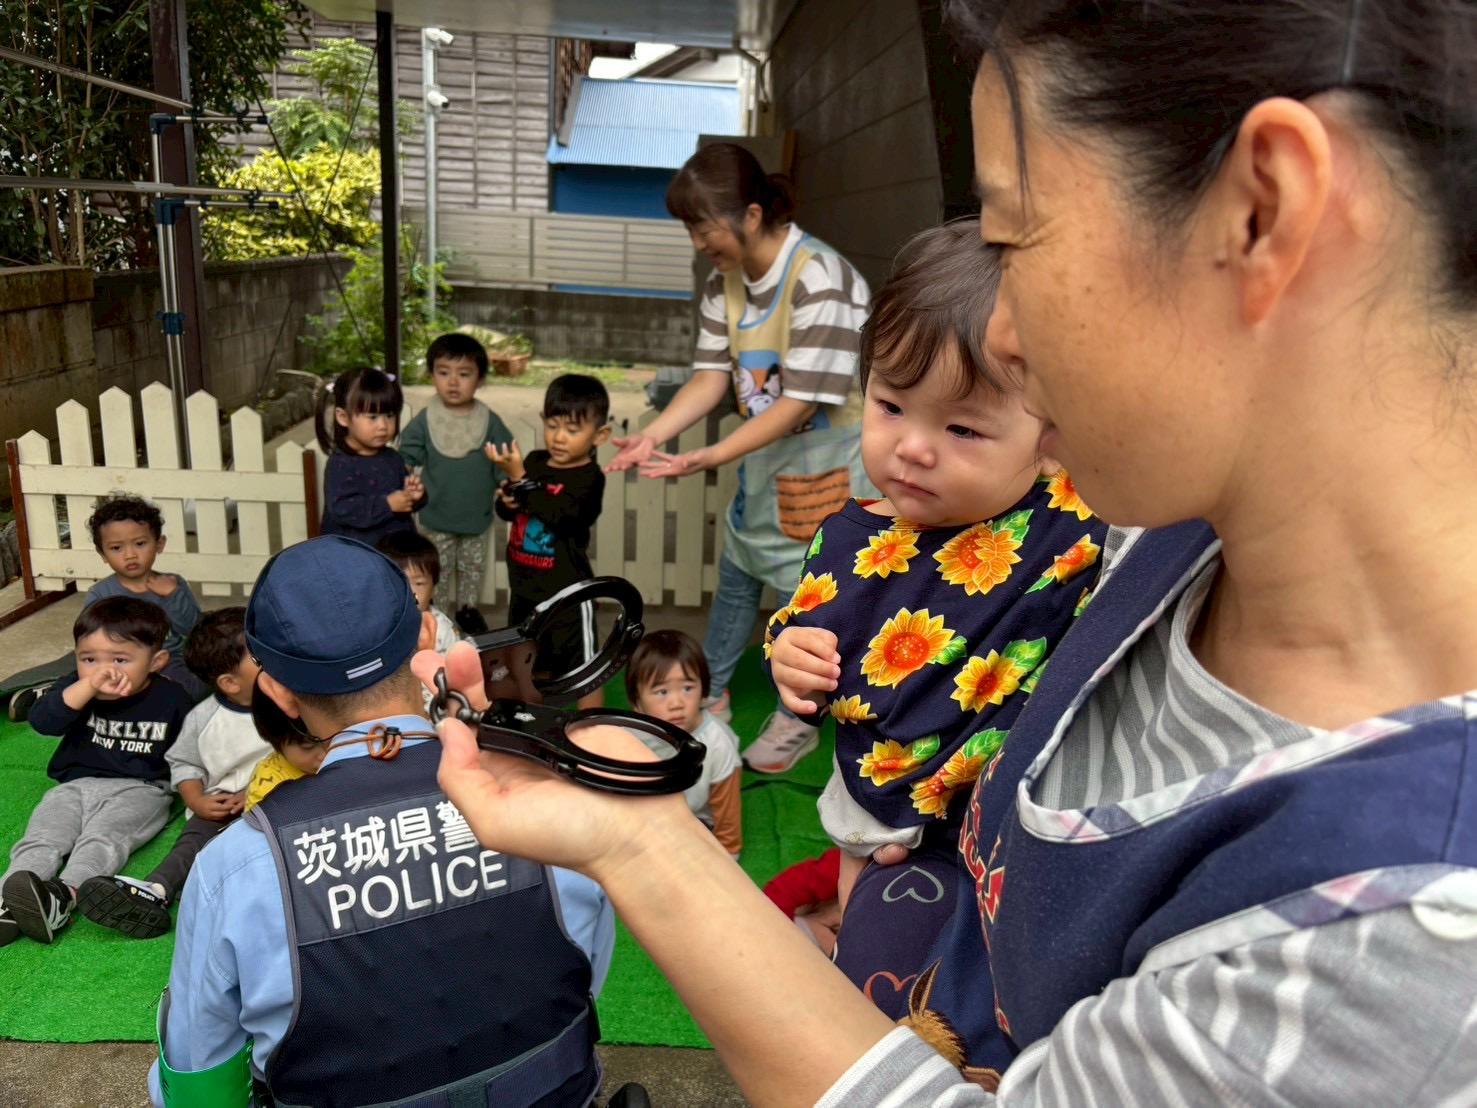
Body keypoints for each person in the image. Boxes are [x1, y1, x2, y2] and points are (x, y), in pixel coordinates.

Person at [426, 0, 1477, 1103]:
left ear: (1265, 212)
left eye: (1013, 236)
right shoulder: (1178, 525)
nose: (1004, 340)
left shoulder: (1404, 929)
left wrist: (642, 847)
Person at [764, 223, 1105, 1008]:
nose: (912, 447)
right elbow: (801, 635)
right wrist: (789, 660)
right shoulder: (850, 538)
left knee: (976, 980)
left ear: (1050, 433)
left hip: (995, 812)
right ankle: (848, 960)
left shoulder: (1071, 509)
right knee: (873, 950)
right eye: (889, 405)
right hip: (876, 791)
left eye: (960, 427)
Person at [149, 535, 614, 1108]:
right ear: (424, 638)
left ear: (276, 692)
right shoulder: (547, 803)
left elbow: (201, 1086)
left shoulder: (236, 866)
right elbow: (580, 986)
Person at [605, 142, 874, 773]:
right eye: (690, 228)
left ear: (752, 214)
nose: (698, 241)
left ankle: (798, 716)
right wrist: (655, 435)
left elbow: (804, 398)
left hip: (824, 462)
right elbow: (708, 379)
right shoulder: (724, 285)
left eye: (704, 225)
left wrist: (712, 455)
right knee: (736, 573)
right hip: (764, 461)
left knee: (811, 597)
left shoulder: (819, 278)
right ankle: (711, 692)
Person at [0, 598, 192, 947]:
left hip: (141, 787)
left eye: (120, 660)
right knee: (43, 838)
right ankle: (8, 901)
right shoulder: (75, 687)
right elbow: (44, 722)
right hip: (74, 785)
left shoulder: (172, 697)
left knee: (102, 840)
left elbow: (190, 749)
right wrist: (84, 687)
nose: (103, 671)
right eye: (89, 659)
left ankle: (62, 896)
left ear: (156, 662)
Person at [76, 608, 270, 939]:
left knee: (251, 851)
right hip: (220, 805)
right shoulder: (204, 718)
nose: (273, 660)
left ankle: (229, 893)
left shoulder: (290, 703)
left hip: (274, 801)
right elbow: (184, 762)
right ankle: (155, 888)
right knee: (192, 842)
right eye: (260, 657)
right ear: (230, 682)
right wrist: (197, 799)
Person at [493, 373, 610, 709]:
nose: (559, 438)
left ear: (599, 435)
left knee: (585, 670)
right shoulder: (534, 463)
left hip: (570, 596)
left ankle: (595, 733)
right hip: (526, 590)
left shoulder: (589, 478)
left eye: (573, 430)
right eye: (553, 425)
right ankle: (535, 729)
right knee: (528, 664)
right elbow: (507, 512)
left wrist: (521, 481)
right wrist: (508, 498)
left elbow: (565, 516)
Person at [398, 332, 517, 634]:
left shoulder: (489, 422)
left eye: (464, 374)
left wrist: (507, 485)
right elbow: (406, 453)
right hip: (436, 515)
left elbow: (505, 460)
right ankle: (437, 619)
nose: (453, 382)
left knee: (471, 569)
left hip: (476, 516)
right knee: (437, 570)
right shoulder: (427, 420)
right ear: (431, 375)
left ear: (480, 379)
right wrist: (403, 472)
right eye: (443, 373)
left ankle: (467, 611)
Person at [626, 630, 743, 859]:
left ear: (703, 690)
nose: (677, 703)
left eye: (688, 688)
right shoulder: (627, 735)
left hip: (696, 819)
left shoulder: (718, 745)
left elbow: (727, 817)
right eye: (662, 692)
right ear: (637, 702)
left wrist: (729, 855)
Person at [80, 493, 207, 702]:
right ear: (102, 553)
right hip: (117, 664)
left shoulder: (173, 583)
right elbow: (92, 641)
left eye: (139, 543)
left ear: (159, 544)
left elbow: (193, 629)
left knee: (193, 688)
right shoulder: (100, 594)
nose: (130, 554)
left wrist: (172, 596)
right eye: (116, 548)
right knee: (86, 684)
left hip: (165, 660)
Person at [316, 365, 425, 546]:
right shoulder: (340, 464)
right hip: (355, 557)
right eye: (372, 417)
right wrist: (387, 505)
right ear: (343, 417)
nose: (383, 425)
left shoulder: (393, 458)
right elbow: (343, 510)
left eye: (389, 415)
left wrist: (415, 496)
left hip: (395, 554)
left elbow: (404, 503)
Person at [377, 531, 460, 653]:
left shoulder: (442, 630)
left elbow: (453, 668)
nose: (409, 593)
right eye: (396, 582)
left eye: (419, 584)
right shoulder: (372, 623)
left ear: (433, 588)